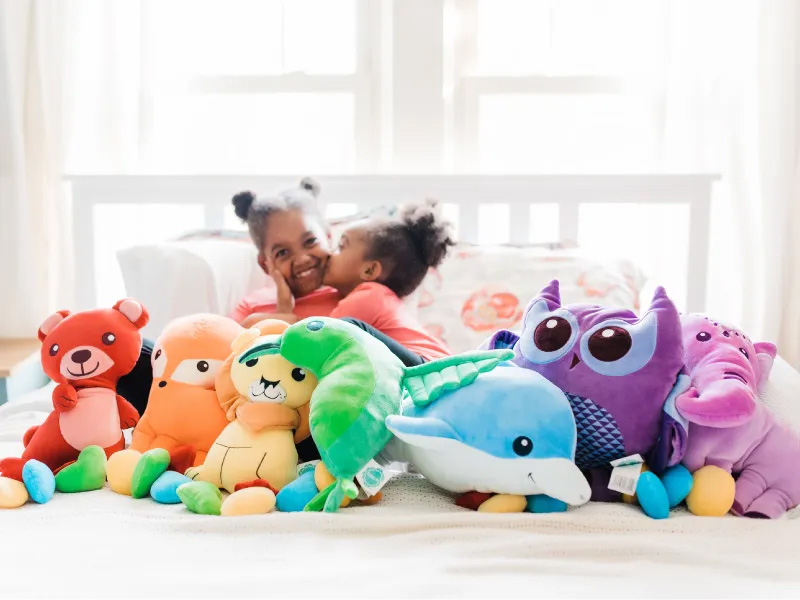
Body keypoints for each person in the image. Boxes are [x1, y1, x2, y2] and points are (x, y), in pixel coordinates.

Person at [323, 199, 455, 363]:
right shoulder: (384, 301)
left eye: (341, 247)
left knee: (344, 327)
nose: (329, 254)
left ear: (369, 270)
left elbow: (321, 342)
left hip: (429, 366)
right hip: (439, 366)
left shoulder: (369, 296)